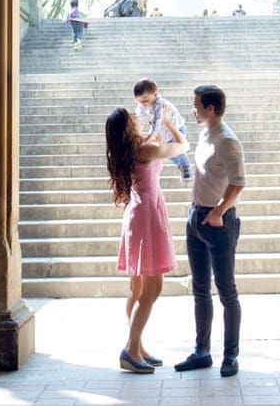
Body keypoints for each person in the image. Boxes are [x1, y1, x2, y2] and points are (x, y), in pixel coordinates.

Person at [106, 107, 190, 374]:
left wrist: (156, 129)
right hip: (148, 215)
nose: (136, 117)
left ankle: (137, 346)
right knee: (152, 290)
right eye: (132, 117)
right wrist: (168, 122)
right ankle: (130, 350)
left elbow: (153, 139)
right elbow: (181, 146)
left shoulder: (130, 149)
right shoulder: (144, 151)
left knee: (137, 289)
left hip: (137, 212)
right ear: (128, 126)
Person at [175, 85, 245, 378]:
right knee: (200, 289)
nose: (193, 109)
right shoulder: (205, 133)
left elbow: (239, 182)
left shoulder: (227, 140)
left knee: (226, 291)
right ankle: (202, 351)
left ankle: (230, 356)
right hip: (196, 218)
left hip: (218, 222)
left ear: (211, 109)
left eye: (197, 105)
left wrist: (218, 211)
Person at [134, 78, 192, 181]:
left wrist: (151, 135)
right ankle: (179, 164)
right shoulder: (142, 105)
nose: (144, 103)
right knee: (167, 152)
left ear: (155, 94)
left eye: (146, 99)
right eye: (140, 101)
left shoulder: (159, 104)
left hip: (176, 129)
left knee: (177, 150)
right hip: (164, 132)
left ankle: (186, 166)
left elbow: (158, 120)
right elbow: (139, 116)